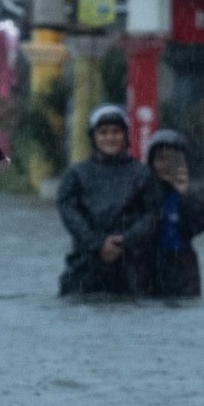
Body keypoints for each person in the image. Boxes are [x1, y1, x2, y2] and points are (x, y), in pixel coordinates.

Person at [56, 103, 148, 296]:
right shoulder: (76, 174)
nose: (110, 138)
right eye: (103, 132)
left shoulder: (142, 174)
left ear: (125, 135)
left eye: (116, 132)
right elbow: (69, 212)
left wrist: (126, 240)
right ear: (94, 137)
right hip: (84, 266)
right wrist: (97, 243)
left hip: (131, 268)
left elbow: (152, 214)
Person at [121, 129, 204, 299]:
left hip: (182, 265)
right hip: (148, 265)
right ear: (151, 162)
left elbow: (199, 226)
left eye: (175, 159)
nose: (167, 165)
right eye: (161, 159)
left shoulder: (189, 194)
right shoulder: (140, 192)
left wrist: (184, 194)